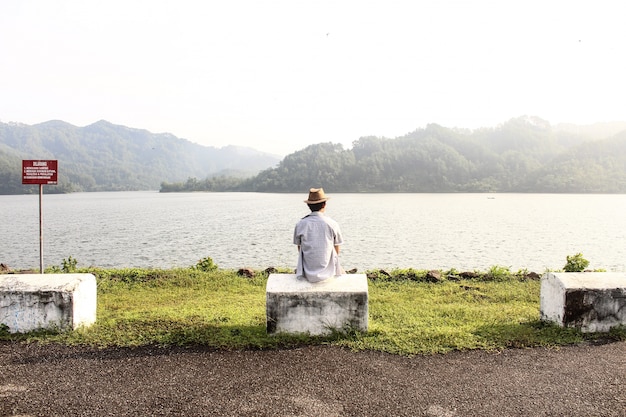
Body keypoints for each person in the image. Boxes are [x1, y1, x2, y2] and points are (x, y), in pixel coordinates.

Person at [293, 188, 344, 282]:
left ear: (308, 205)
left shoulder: (300, 224)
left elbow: (299, 248)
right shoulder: (332, 224)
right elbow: (337, 249)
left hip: (307, 273)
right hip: (329, 273)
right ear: (324, 204)